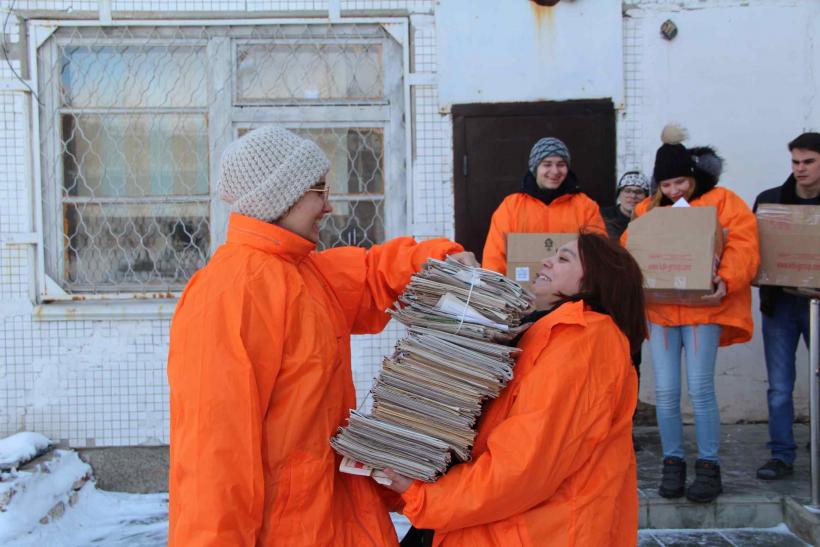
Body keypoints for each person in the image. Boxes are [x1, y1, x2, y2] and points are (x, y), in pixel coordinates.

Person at [167, 126, 474, 546]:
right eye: (319, 190)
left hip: (336, 515)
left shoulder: (303, 272)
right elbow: (213, 458)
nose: (329, 205)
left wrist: (437, 260)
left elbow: (371, 277)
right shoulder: (229, 295)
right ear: (283, 196)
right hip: (287, 531)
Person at [383, 231, 646, 547]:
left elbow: (526, 463)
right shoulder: (555, 330)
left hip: (538, 529)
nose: (546, 260)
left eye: (564, 259)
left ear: (595, 281)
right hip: (512, 523)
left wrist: (430, 498)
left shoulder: (583, 339)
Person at [625, 124, 760, 503]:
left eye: (681, 182)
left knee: (701, 390)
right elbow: (630, 251)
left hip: (703, 309)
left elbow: (744, 245)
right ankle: (673, 462)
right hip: (662, 311)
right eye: (666, 185)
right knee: (666, 392)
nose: (675, 191)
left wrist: (727, 278)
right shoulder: (645, 211)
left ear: (693, 175)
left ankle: (709, 465)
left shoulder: (723, 202)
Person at [753, 132, 820, 480]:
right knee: (780, 385)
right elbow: (754, 251)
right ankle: (781, 454)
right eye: (795, 162)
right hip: (780, 304)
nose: (800, 169)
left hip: (819, 304)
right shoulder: (771, 201)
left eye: (808, 162)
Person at [481, 137, 605, 275]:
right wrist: (499, 293)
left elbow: (599, 256)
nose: (555, 171)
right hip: (522, 295)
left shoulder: (586, 207)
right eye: (547, 164)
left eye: (561, 164)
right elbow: (494, 258)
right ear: (535, 168)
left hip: (574, 296)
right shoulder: (510, 207)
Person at [601, 171, 650, 239]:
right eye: (627, 191)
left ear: (646, 197)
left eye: (639, 192)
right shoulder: (603, 216)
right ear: (619, 194)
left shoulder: (651, 220)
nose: (633, 196)